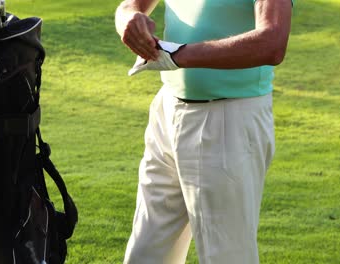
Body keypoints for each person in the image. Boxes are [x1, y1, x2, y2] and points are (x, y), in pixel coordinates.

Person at [115, 0, 293, 263]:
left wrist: (177, 55)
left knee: (227, 255)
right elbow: (131, 5)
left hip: (228, 120)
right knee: (146, 252)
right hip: (168, 109)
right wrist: (129, 20)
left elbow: (272, 42)